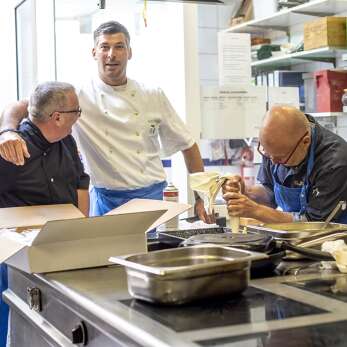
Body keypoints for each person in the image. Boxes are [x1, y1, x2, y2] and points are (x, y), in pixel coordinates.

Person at [0, 21, 211, 222]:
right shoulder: (76, 96)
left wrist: (202, 197)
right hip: (107, 201)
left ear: (129, 52)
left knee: (157, 255)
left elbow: (188, 145)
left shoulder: (152, 95)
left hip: (153, 197)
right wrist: (8, 131)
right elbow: (23, 106)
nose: (112, 54)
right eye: (104, 47)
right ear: (94, 52)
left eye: (119, 46)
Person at [0, 81, 90, 347]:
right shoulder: (10, 149)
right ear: (58, 117)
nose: (79, 116)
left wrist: (79, 231)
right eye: (77, 111)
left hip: (59, 254)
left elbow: (80, 184)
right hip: (15, 261)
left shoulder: (67, 141)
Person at [223, 105, 347, 224]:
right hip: (294, 236)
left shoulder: (334, 162)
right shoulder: (275, 147)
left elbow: (313, 224)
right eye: (267, 153)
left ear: (305, 142)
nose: (272, 162)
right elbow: (269, 192)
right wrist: (246, 193)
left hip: (332, 240)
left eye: (280, 158)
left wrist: (256, 210)